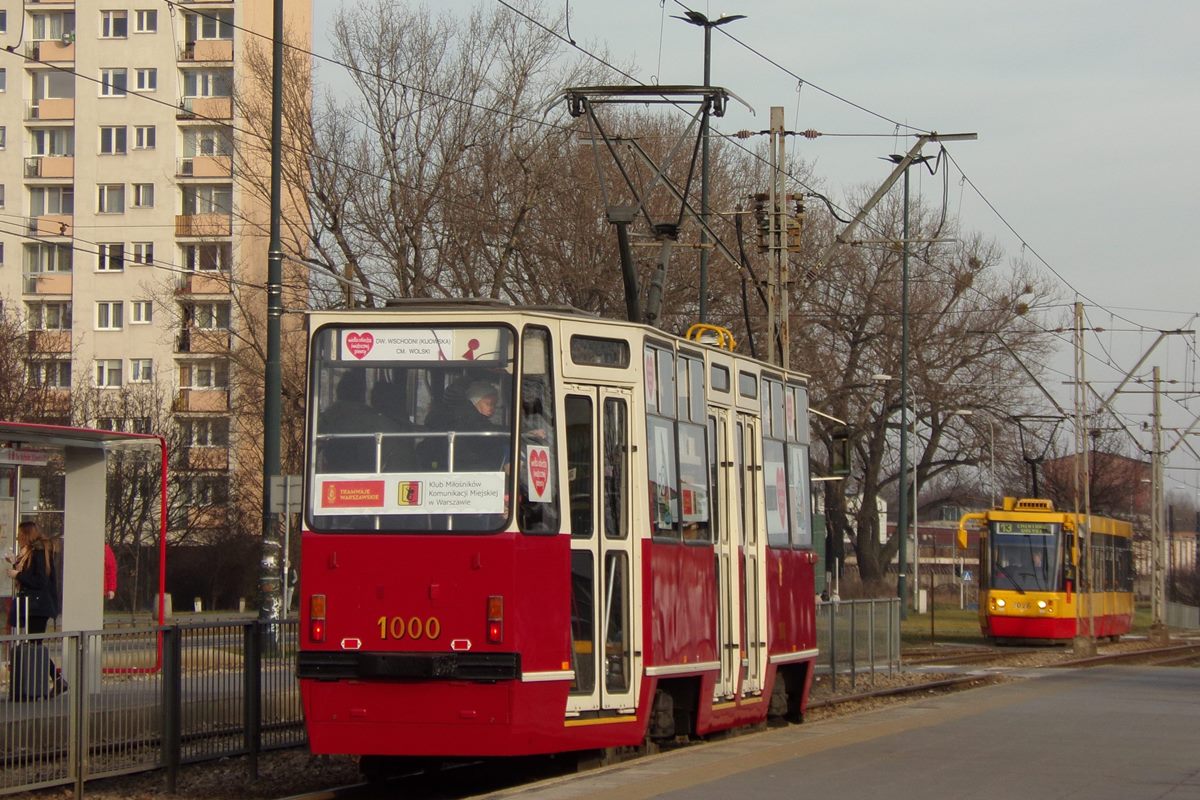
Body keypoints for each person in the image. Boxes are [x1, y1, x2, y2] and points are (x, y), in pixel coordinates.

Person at [5, 521, 67, 696]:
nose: (17, 538)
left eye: (20, 534)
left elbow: (39, 581)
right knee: (34, 644)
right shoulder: (31, 553)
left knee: (35, 644)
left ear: (27, 534)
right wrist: (16, 566)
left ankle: (54, 679)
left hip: (38, 606)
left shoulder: (39, 553)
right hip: (33, 605)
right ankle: (55, 679)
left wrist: (18, 574)